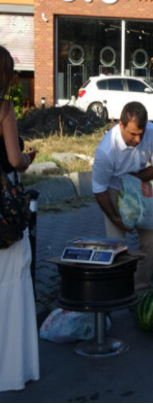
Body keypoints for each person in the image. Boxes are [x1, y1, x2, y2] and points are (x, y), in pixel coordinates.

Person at [92, 101, 153, 290]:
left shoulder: (151, 132)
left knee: (151, 243)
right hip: (113, 190)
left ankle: (140, 289)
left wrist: (135, 178)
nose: (138, 140)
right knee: (116, 246)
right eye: (132, 134)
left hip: (139, 186)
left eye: (141, 133)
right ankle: (118, 290)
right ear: (121, 124)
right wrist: (115, 219)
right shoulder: (105, 151)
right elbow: (99, 190)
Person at [0, 45, 40, 392]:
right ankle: (11, 369)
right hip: (4, 212)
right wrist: (28, 158)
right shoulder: (4, 108)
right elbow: (14, 160)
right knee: (11, 281)